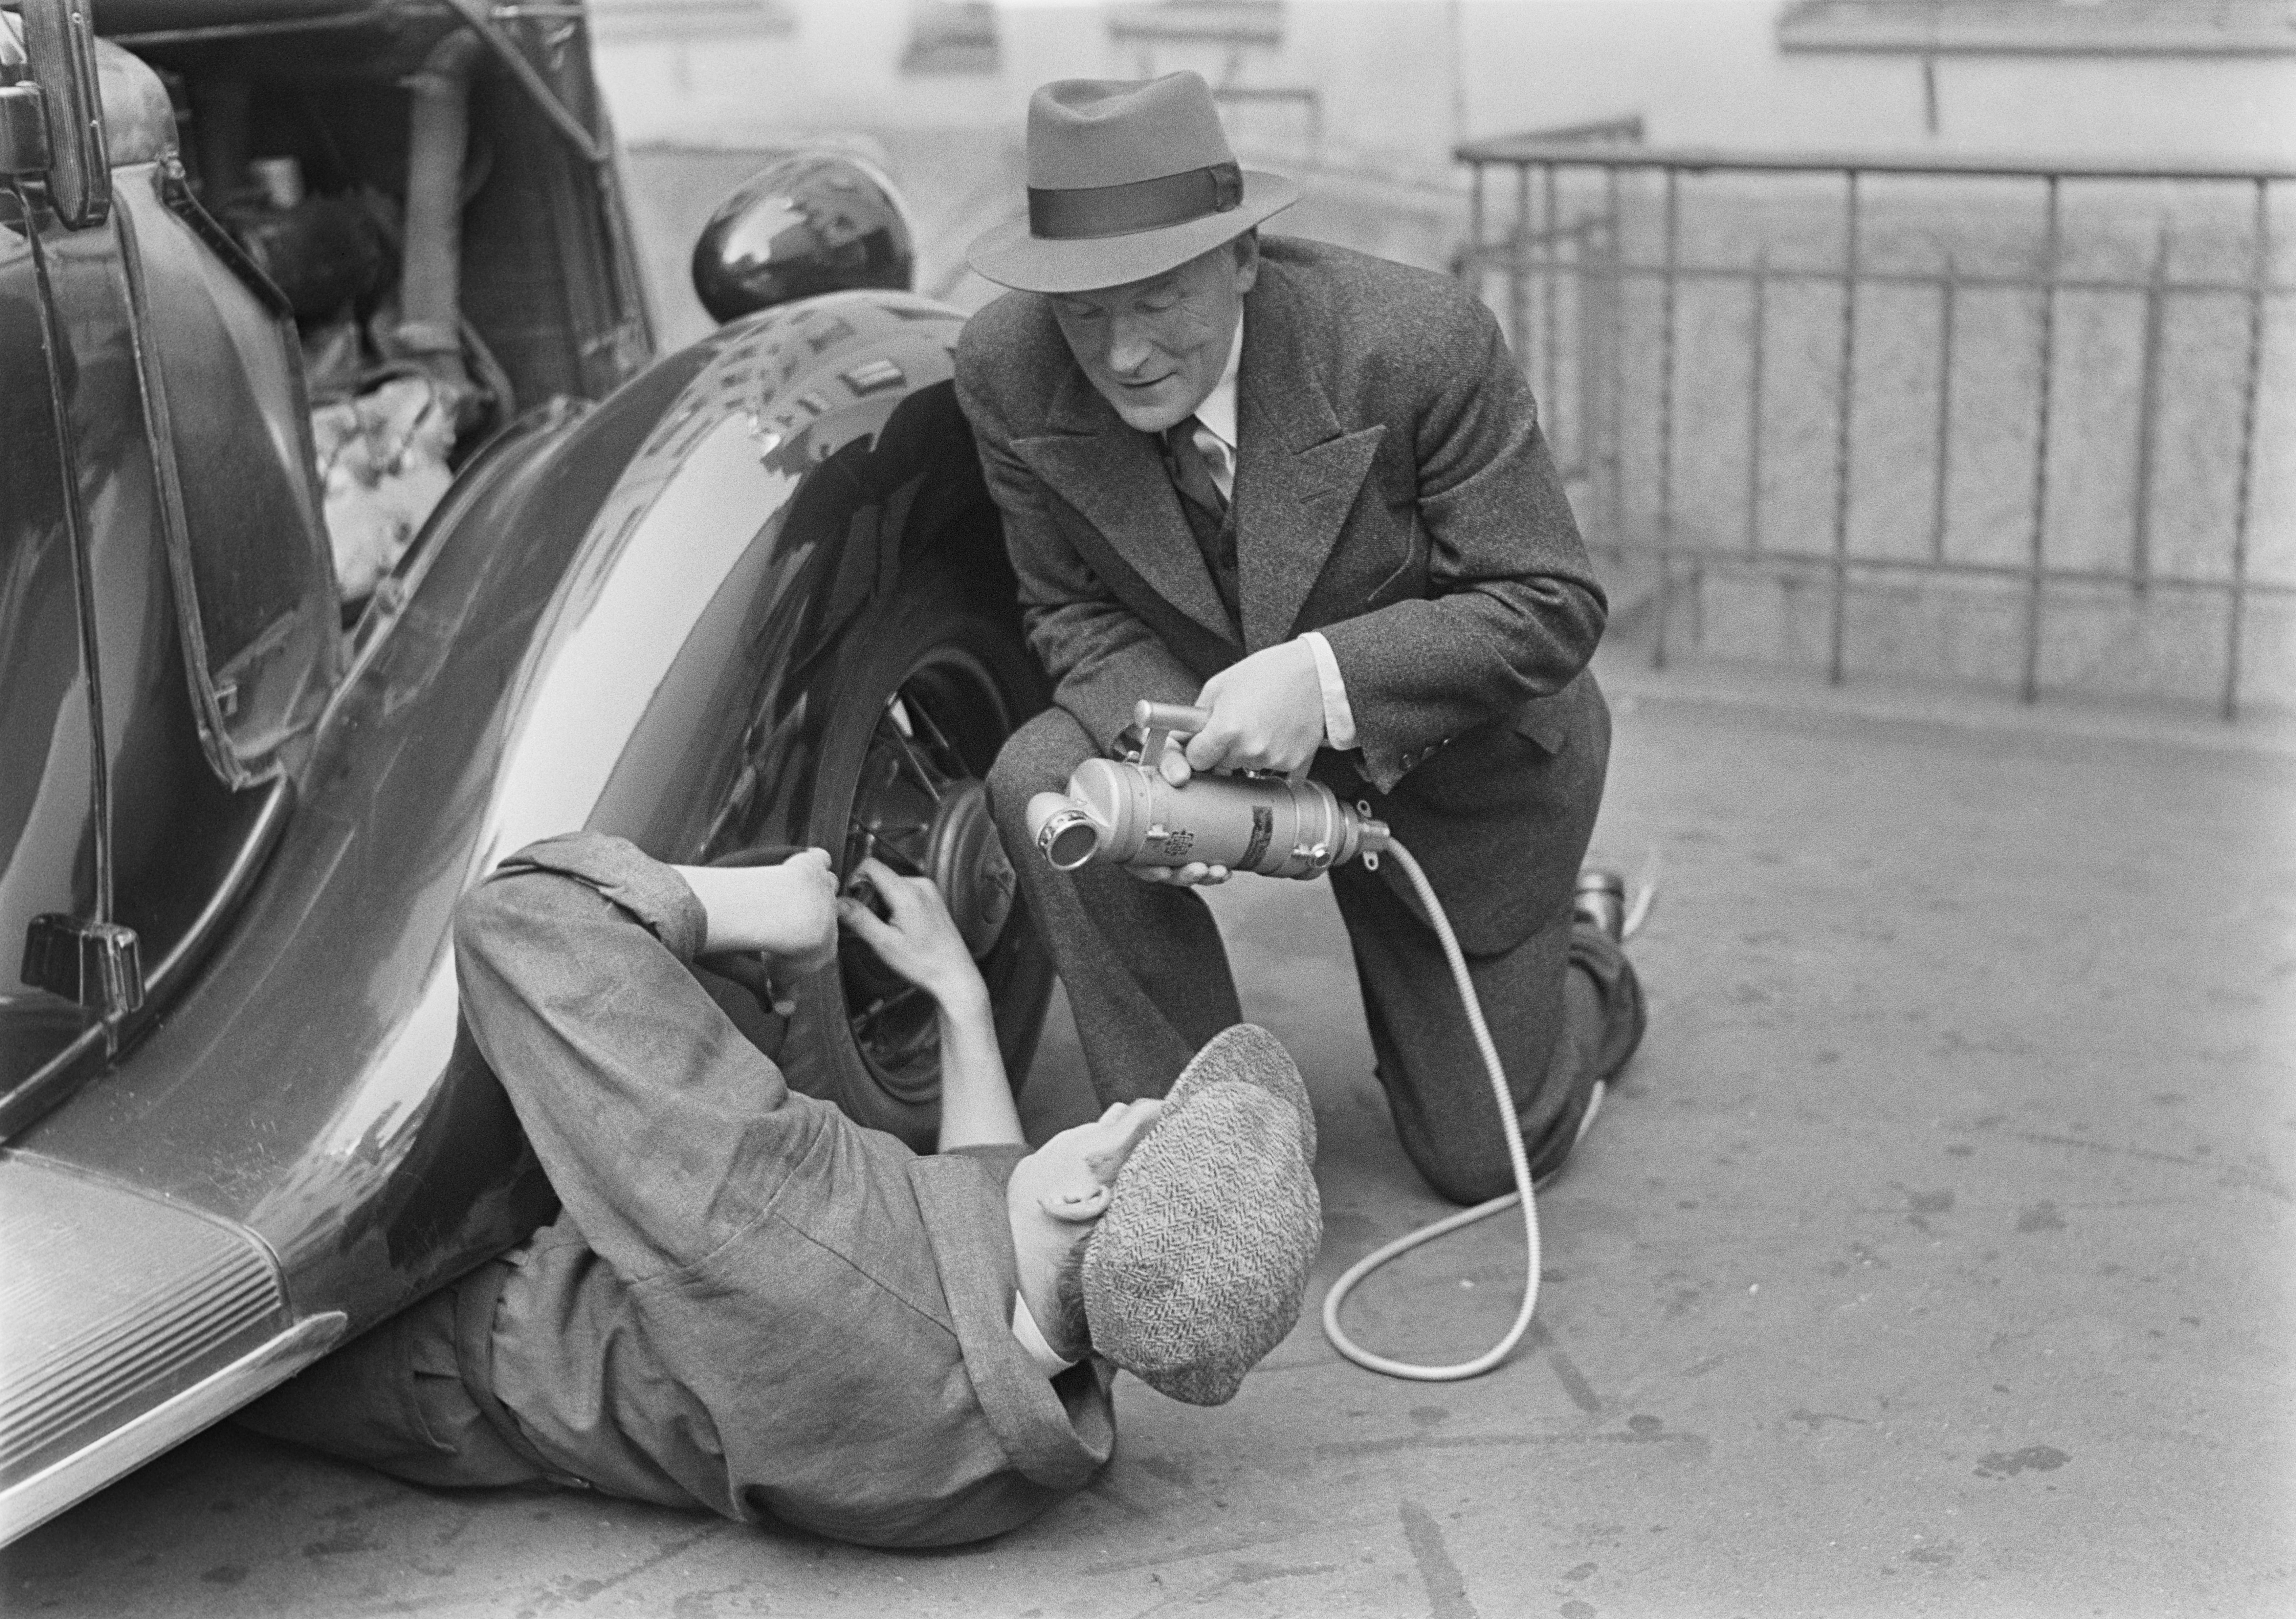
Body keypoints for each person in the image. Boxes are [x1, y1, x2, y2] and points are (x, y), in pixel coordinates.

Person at [958, 72, 1647, 1206]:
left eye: (1157, 299)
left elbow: (1549, 602)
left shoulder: (1418, 343)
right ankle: (1207, 1165)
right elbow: (1069, 610)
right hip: (1216, 734)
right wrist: (1160, 756)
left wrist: (1318, 678)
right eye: (1084, 311)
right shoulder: (1005, 367)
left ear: (1242, 257)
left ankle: (1589, 956)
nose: (1122, 353)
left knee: (1487, 1159)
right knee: (1045, 779)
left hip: (1457, 767)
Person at [241, 833, 1321, 1548]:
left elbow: (518, 920)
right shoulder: (1045, 1397)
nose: (1129, 1108)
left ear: (1089, 1197)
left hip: (429, 1336)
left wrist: (761, 905)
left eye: (1146, 1125)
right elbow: (983, 1226)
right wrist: (959, 998)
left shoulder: (801, 1226)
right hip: (655, 1342)